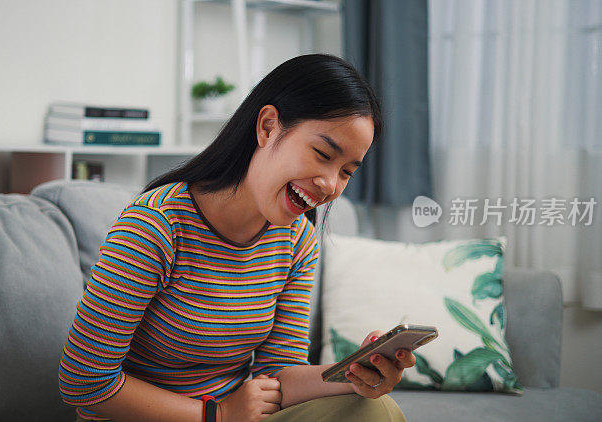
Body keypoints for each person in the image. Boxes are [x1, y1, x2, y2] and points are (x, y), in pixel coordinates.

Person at [58, 53, 415, 422]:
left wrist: (354, 375)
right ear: (268, 127)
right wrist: (216, 414)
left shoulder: (297, 241)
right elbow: (83, 382)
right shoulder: (155, 227)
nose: (329, 184)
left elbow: (276, 377)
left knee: (374, 408)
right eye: (322, 153)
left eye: (346, 172)